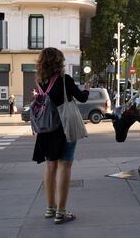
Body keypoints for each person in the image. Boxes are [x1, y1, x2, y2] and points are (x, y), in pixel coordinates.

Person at [32, 47, 89, 224]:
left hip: (46, 130)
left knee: (50, 167)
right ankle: (61, 212)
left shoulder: (41, 81)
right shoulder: (65, 80)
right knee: (65, 166)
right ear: (59, 62)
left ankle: (50, 208)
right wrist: (85, 89)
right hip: (64, 128)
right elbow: (82, 98)